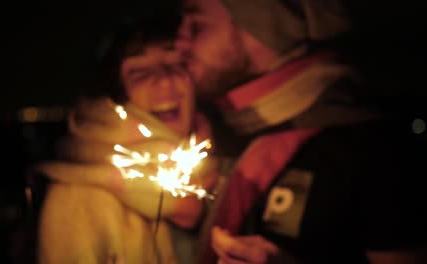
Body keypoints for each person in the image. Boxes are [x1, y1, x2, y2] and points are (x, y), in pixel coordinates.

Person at [175, 0, 427, 263]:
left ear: (259, 31)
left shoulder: (374, 148)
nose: (179, 43)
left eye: (197, 26)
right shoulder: (221, 133)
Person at [32, 14, 222, 264]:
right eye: (140, 73)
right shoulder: (77, 201)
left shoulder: (227, 174)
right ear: (116, 95)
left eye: (177, 64)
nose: (164, 79)